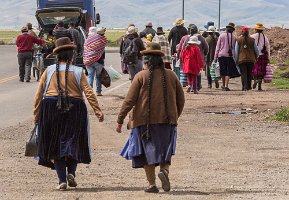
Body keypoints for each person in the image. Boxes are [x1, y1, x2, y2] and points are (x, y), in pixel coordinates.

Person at [33, 37, 104, 190]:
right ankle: (71, 172)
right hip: (76, 108)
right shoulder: (79, 71)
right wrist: (97, 110)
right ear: (72, 55)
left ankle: (61, 181)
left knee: (56, 143)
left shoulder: (48, 70)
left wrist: (36, 113)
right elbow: (89, 93)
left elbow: (39, 94)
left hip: (51, 107)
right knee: (74, 141)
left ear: (57, 55)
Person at [116, 42, 185, 193]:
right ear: (160, 60)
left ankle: (151, 184)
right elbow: (181, 99)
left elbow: (129, 100)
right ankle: (164, 171)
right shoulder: (171, 74)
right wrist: (174, 117)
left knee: (147, 153)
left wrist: (120, 120)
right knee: (165, 150)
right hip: (167, 120)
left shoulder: (140, 76)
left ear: (146, 61)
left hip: (143, 123)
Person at [214, 22, 240, 91]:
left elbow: (218, 47)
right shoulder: (234, 37)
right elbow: (234, 48)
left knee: (223, 70)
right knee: (228, 71)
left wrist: (215, 57)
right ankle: (226, 85)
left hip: (221, 55)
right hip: (229, 56)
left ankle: (222, 84)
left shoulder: (221, 36)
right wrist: (234, 57)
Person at [83, 27, 108, 96]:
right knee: (98, 76)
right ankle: (98, 92)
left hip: (88, 60)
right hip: (99, 61)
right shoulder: (102, 39)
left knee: (90, 76)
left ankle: (89, 92)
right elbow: (102, 48)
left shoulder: (87, 40)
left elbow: (85, 50)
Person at [235, 26, 259, 91]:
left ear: (242, 32)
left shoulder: (238, 40)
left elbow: (236, 51)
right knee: (249, 73)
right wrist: (256, 57)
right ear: (248, 32)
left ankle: (244, 87)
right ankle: (249, 87)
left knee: (243, 74)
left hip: (241, 60)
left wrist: (236, 60)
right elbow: (257, 50)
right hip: (251, 59)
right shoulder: (252, 40)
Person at [251, 23, 270, 91]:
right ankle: (259, 86)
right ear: (262, 30)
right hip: (263, 56)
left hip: (255, 56)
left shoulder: (252, 36)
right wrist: (268, 57)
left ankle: (255, 80)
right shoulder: (265, 37)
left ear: (256, 29)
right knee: (262, 71)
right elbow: (268, 48)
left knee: (254, 69)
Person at [189, 25, 209, 91]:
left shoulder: (188, 38)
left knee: (191, 72)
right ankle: (197, 85)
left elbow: (184, 47)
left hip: (189, 58)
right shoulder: (201, 38)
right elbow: (206, 47)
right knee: (198, 72)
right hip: (199, 58)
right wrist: (205, 54)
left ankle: (192, 86)